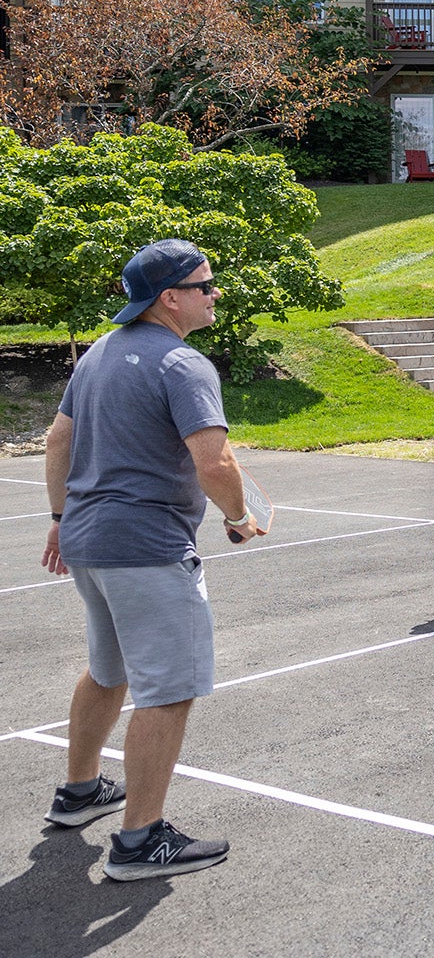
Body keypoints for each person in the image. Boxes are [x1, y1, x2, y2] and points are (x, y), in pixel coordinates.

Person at [41, 238, 265, 881]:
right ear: (171, 297)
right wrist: (237, 518)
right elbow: (215, 462)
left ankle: (80, 792)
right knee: (167, 692)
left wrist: (60, 519)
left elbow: (60, 440)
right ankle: (139, 842)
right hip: (146, 549)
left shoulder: (98, 357)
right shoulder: (182, 364)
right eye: (206, 283)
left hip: (88, 542)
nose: (215, 292)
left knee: (107, 670)